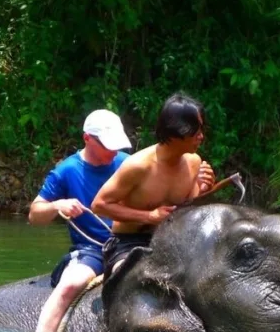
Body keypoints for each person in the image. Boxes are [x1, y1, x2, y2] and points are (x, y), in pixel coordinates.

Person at [27, 109, 132, 332]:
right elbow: (35, 214)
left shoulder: (128, 164)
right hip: (91, 250)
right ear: (87, 139)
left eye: (116, 145)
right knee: (70, 285)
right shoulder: (67, 170)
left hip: (128, 243)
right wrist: (58, 205)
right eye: (107, 145)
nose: (113, 151)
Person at [91, 92, 215, 277]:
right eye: (195, 131)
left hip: (171, 241)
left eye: (201, 130)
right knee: (131, 280)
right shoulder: (138, 166)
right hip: (129, 243)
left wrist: (206, 189)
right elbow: (99, 205)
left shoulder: (193, 162)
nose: (201, 137)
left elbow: (188, 211)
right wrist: (149, 216)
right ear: (175, 133)